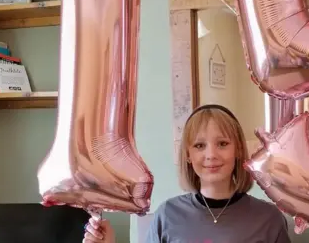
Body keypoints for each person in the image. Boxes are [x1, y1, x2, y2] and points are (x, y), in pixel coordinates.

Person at [83, 104, 291, 243]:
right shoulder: (167, 215)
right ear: (188, 155)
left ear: (237, 150)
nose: (211, 155)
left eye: (222, 144)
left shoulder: (269, 219)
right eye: (200, 145)